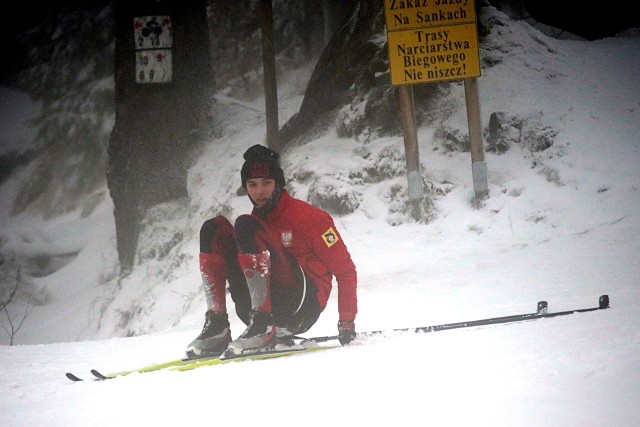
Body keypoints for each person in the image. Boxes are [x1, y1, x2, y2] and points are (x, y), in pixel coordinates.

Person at [186, 144, 358, 357]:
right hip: (258, 308)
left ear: (278, 184)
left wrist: (347, 322)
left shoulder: (310, 218)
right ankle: (218, 325)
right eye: (252, 184)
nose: (259, 192)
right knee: (213, 229)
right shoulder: (255, 223)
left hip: (301, 307)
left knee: (245, 225)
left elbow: (346, 271)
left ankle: (263, 324)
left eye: (266, 183)